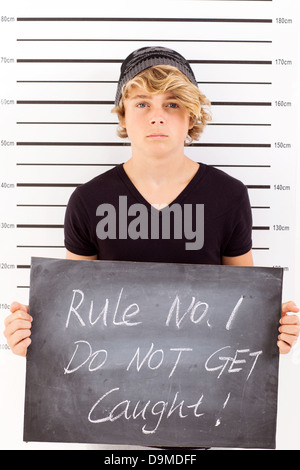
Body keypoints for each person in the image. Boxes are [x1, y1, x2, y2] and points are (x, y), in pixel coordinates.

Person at [3, 46, 299, 357]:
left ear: (191, 116)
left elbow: (244, 303)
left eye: (172, 103)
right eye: (142, 103)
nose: (157, 117)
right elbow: (73, 311)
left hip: (205, 385)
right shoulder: (88, 201)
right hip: (109, 389)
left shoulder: (229, 196)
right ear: (123, 115)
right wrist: (32, 337)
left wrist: (270, 329)